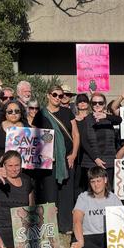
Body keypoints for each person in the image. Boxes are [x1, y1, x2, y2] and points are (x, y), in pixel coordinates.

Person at [32, 86, 80, 233]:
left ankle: (65, 226)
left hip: (67, 159)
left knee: (66, 193)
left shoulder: (67, 112)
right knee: (50, 193)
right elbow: (33, 136)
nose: (58, 98)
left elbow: (76, 135)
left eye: (60, 95)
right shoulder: (41, 114)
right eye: (55, 95)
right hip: (48, 160)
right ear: (48, 95)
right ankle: (50, 226)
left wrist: (73, 154)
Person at [70, 167, 122, 248]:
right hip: (89, 236)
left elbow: (123, 220)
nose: (96, 185)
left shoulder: (113, 198)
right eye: (93, 182)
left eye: (99, 181)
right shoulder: (83, 197)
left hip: (107, 236)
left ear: (105, 180)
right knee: (75, 243)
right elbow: (77, 220)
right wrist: (81, 242)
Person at [81, 93, 122, 182]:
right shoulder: (86, 119)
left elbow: (119, 120)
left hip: (108, 160)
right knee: (92, 191)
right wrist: (96, 159)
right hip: (91, 161)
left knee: (108, 189)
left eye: (100, 103)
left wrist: (106, 116)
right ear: (91, 104)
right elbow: (84, 142)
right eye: (94, 103)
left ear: (104, 104)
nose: (97, 105)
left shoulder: (109, 119)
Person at [0, 100, 28, 164]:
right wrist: (0, 158)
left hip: (24, 168)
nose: (13, 113)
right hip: (3, 167)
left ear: (21, 113)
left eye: (17, 111)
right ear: (5, 113)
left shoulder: (27, 128)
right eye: (10, 112)